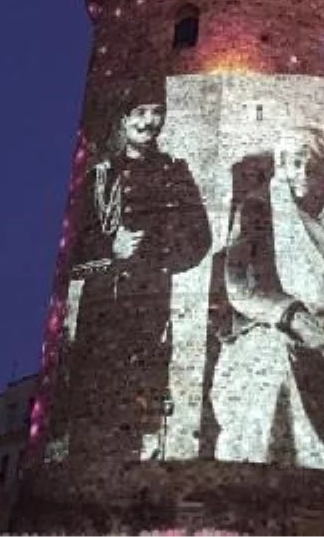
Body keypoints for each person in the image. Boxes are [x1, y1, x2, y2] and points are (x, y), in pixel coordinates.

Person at [209, 127, 324, 473]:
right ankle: (273, 478)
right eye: (289, 164)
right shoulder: (258, 209)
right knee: (273, 358)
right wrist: (294, 317)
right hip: (271, 327)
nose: (298, 173)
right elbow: (240, 284)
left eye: (307, 165)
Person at [60, 80, 211, 462]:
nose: (149, 122)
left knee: (140, 398)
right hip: (100, 311)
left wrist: (155, 255)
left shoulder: (175, 172)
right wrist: (109, 249)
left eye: (156, 113)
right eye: (140, 113)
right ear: (124, 119)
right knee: (92, 400)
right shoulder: (99, 176)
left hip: (149, 307)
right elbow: (73, 251)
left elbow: (199, 238)